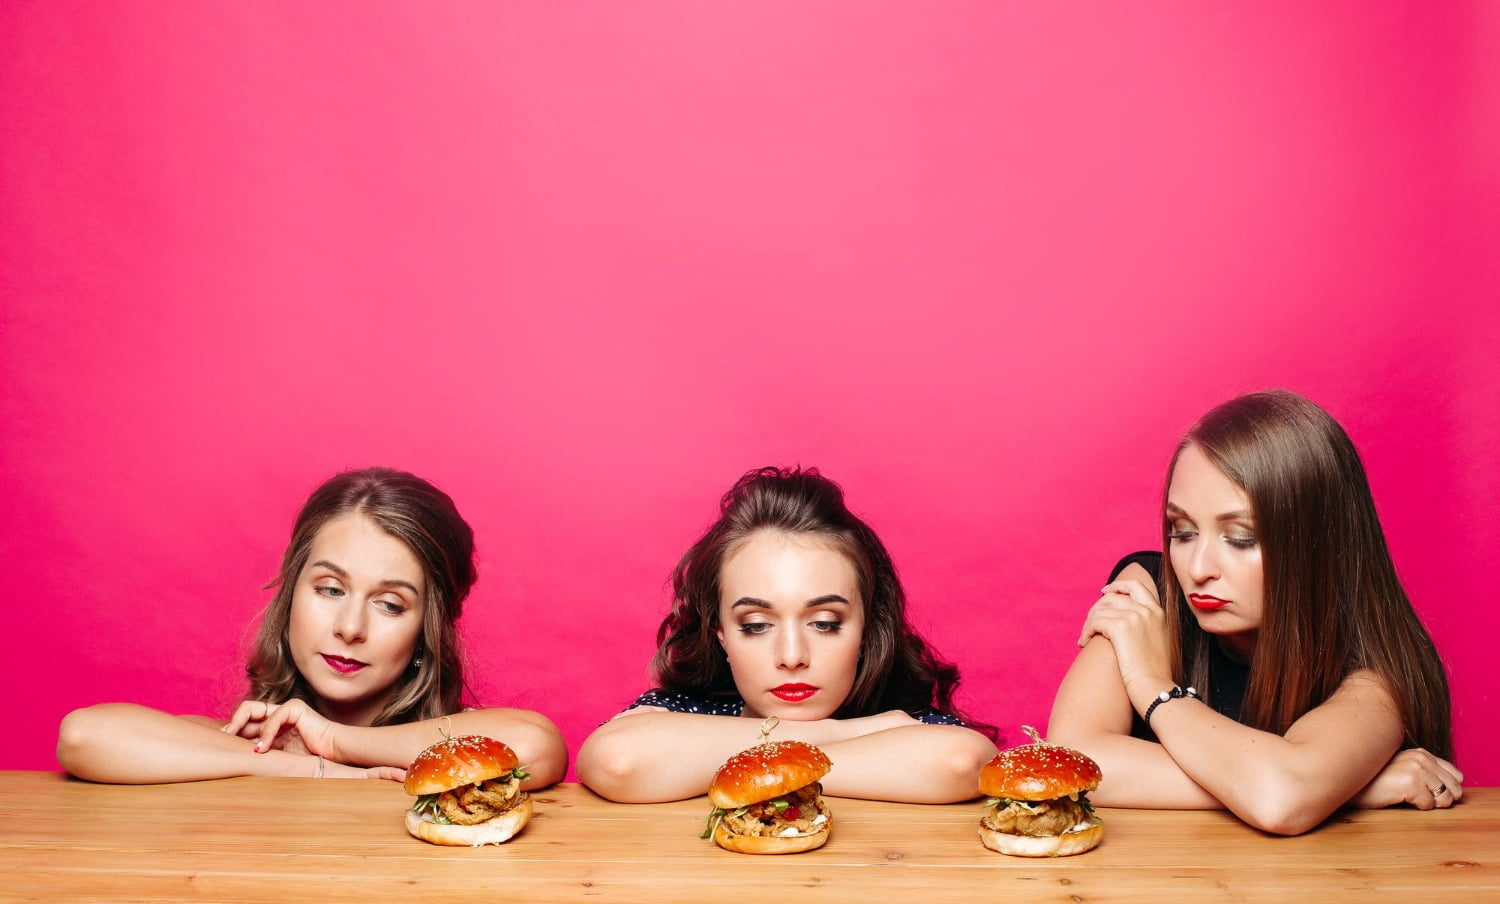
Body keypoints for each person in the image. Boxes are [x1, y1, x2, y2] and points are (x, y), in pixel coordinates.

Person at [1048, 391, 1458, 834]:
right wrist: (1347, 790)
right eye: (1182, 531)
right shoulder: (1149, 592)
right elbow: (1069, 761)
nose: (1197, 570)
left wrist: (1151, 686)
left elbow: (1279, 798)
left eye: (1241, 538)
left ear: (1319, 546)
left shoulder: (1376, 667)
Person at [57, 467, 566, 786]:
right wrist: (308, 766)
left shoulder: (458, 748)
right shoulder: (253, 744)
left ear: (427, 630)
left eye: (390, 604)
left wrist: (333, 740)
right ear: (291, 595)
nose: (350, 627)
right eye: (329, 589)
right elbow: (85, 736)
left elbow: (537, 747)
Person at [578, 466, 997, 803]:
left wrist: (716, 759)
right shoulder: (682, 709)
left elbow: (963, 762)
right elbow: (618, 761)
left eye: (825, 623)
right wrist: (841, 733)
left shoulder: (911, 719)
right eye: (757, 625)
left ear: (867, 630)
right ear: (722, 635)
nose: (792, 656)